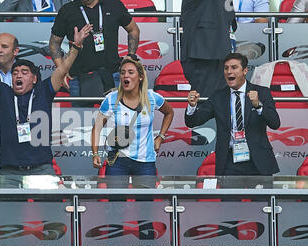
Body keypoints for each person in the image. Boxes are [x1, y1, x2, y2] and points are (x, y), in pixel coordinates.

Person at [0, 22, 91, 188]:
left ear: (34, 78)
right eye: (15, 72)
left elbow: (62, 69)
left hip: (42, 169)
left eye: (24, 72)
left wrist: (76, 47)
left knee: (51, 213)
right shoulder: (4, 93)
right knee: (8, 214)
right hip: (10, 172)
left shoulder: (43, 91)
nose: (18, 75)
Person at [185, 53, 280, 189]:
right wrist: (192, 106)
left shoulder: (262, 93)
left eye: (234, 67)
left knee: (262, 206)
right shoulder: (218, 96)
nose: (229, 71)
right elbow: (193, 121)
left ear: (245, 70)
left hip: (257, 159)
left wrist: (258, 105)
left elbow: (275, 123)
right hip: (229, 161)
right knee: (230, 207)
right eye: (226, 68)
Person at [91, 58, 174, 189]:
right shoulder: (111, 99)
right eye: (123, 72)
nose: (126, 76)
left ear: (140, 77)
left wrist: (160, 137)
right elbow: (97, 128)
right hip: (118, 161)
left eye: (130, 72)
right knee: (115, 206)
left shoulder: (152, 97)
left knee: (145, 206)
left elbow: (169, 113)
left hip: (145, 161)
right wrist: (95, 153)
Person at [49, 0, 140, 106]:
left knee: (117, 120)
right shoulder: (68, 10)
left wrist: (131, 56)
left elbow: (133, 29)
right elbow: (54, 42)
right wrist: (61, 70)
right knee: (82, 120)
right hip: (79, 78)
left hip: (113, 75)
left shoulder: (114, 5)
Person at [180, 0, 236, 98]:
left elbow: (229, 13)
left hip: (218, 48)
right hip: (203, 50)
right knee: (203, 101)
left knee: (218, 101)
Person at [0, 0, 70, 22]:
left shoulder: (61, 1)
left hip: (57, 39)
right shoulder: (21, 2)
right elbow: (1, 13)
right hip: (29, 39)